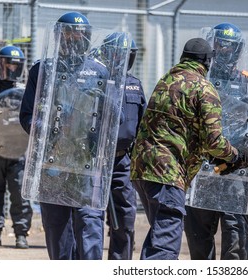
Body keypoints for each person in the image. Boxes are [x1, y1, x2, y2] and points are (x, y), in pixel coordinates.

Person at [130, 37, 248, 260]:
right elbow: (214, 141)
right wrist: (236, 155)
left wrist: (213, 158)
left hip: (142, 170)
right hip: (167, 174)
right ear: (207, 62)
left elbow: (181, 130)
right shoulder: (204, 88)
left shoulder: (166, 81)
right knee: (165, 246)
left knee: (159, 235)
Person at [19, 11, 107, 260]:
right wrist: (47, 130)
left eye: (80, 34)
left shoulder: (99, 72)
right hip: (52, 166)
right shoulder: (42, 70)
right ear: (59, 37)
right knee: (57, 230)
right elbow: (26, 116)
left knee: (89, 225)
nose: (75, 39)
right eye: (69, 34)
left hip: (87, 167)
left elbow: (112, 119)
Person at [183, 23, 248, 260]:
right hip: (201, 172)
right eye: (220, 45)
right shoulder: (197, 81)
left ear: (238, 50)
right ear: (212, 47)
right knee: (199, 242)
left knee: (236, 242)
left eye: (230, 47)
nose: (224, 50)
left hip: (235, 174)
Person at [97, 32, 147, 260]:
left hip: (122, 160)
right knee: (91, 218)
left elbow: (143, 126)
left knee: (125, 218)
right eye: (119, 55)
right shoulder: (96, 82)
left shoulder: (134, 86)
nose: (123, 60)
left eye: (128, 56)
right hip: (95, 159)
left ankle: (120, 265)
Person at [0, 45, 32, 249]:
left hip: (18, 151)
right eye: (7, 63)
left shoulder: (24, 90)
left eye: (15, 64)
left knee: (19, 194)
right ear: (0, 64)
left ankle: (21, 233)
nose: (11, 67)